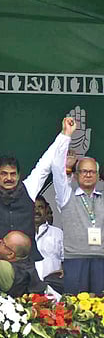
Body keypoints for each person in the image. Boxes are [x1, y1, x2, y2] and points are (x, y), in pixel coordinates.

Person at [0, 109, 73, 291]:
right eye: (4, 174)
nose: (8, 178)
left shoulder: (29, 188)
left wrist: (64, 135)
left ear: (19, 175)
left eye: (12, 174)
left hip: (27, 268)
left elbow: (45, 163)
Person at [49, 122, 104, 293]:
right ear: (76, 175)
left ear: (97, 175)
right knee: (75, 309)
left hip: (101, 260)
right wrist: (66, 136)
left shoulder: (102, 199)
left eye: (92, 172)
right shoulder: (67, 197)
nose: (88, 174)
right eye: (84, 171)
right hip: (75, 259)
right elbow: (57, 174)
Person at [34, 196, 64, 292]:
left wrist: (65, 270)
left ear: (46, 210)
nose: (37, 211)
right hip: (29, 286)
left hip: (53, 286)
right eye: (33, 207)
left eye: (40, 207)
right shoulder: (21, 233)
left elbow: (67, 259)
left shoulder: (58, 233)